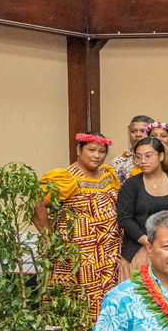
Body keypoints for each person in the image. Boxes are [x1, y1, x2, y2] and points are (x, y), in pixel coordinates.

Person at [39, 132, 122, 321]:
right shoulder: (65, 177)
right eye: (91, 150)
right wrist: (48, 235)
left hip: (108, 251)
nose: (97, 155)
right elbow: (37, 205)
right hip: (79, 252)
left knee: (107, 300)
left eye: (102, 151)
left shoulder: (109, 174)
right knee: (79, 301)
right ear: (78, 150)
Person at [116, 136, 168, 269]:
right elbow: (125, 218)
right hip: (140, 249)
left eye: (148, 156)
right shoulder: (131, 184)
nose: (142, 161)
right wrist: (148, 242)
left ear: (161, 156)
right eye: (138, 157)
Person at [110, 115, 154, 182]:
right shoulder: (118, 162)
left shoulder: (159, 159)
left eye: (143, 131)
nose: (137, 135)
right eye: (133, 131)